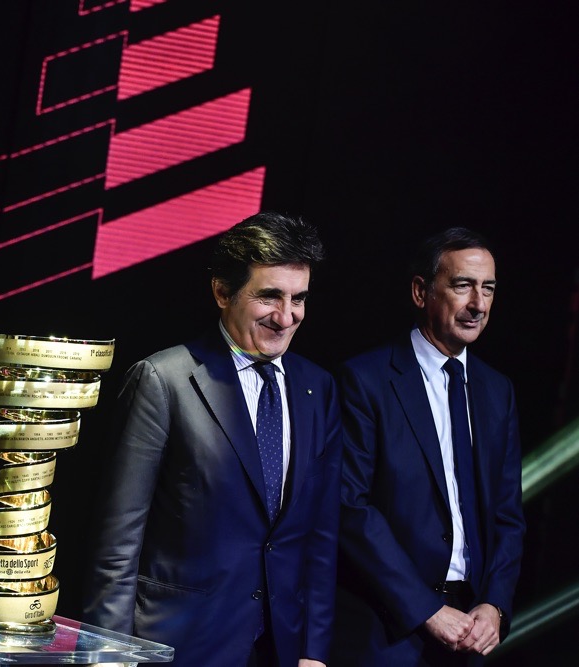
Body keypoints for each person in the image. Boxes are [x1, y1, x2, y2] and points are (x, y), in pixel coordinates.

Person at [83, 212, 341, 667]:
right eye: (269, 296)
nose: (286, 317)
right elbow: (117, 545)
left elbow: (320, 536)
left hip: (278, 649)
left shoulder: (317, 388)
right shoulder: (163, 380)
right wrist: (109, 656)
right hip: (180, 645)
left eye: (298, 298)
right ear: (223, 292)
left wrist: (313, 651)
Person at [331, 227, 526, 666]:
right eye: (463, 286)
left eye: (488, 289)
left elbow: (508, 514)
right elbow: (350, 507)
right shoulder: (365, 380)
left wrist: (495, 604)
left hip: (470, 630)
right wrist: (426, 608)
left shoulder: (498, 391)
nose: (478, 304)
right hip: (387, 629)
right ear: (421, 292)